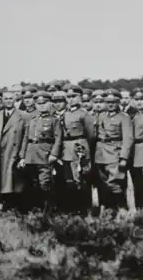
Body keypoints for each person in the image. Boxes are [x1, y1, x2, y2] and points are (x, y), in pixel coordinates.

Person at [0, 91, 27, 214]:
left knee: (10, 180)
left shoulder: (22, 116)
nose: (8, 101)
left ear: (15, 100)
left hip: (11, 152)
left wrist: (22, 155)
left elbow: (25, 137)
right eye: (6, 98)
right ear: (2, 100)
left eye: (11, 98)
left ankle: (10, 207)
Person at [19, 91, 63, 213]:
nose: (41, 106)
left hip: (45, 154)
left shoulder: (54, 120)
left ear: (50, 104)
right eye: (38, 103)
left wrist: (54, 154)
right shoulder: (32, 120)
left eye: (44, 103)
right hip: (31, 154)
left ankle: (48, 210)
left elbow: (58, 138)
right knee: (33, 183)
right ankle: (35, 209)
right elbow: (25, 139)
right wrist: (22, 156)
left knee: (45, 183)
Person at [94, 89, 133, 212]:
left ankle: (122, 210)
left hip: (115, 153)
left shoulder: (124, 117)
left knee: (115, 184)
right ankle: (109, 212)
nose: (110, 104)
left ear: (118, 102)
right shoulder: (101, 116)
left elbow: (128, 138)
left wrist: (124, 157)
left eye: (114, 102)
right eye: (108, 102)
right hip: (101, 154)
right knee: (104, 185)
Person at [59, 86, 96, 215]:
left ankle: (85, 210)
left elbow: (91, 135)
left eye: (74, 96)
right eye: (68, 97)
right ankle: (73, 209)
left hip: (80, 147)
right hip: (66, 149)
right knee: (70, 181)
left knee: (82, 180)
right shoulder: (65, 114)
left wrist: (85, 149)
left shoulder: (84, 114)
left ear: (80, 97)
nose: (71, 99)